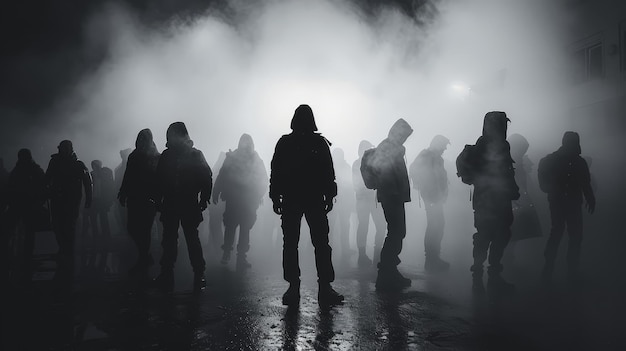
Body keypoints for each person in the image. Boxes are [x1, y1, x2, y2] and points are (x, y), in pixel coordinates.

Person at [270, 104, 344, 306]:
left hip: (293, 199)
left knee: (291, 244)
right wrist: (329, 195)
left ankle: (293, 288)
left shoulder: (285, 142)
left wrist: (275, 196)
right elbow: (328, 172)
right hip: (313, 199)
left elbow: (275, 171)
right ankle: (324, 288)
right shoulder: (319, 143)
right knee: (321, 244)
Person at [462, 112, 519, 294]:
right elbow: (503, 171)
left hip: (491, 198)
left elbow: (506, 171)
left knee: (493, 235)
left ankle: (483, 276)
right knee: (491, 235)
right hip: (490, 198)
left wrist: (512, 188)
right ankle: (485, 276)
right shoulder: (490, 145)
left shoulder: (490, 144)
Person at [153, 122, 212, 292]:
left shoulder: (193, 155)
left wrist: (204, 197)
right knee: (171, 240)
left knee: (189, 240)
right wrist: (158, 199)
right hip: (174, 203)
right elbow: (159, 180)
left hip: (186, 202)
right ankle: (168, 272)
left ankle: (198, 272)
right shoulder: (170, 156)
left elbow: (206, 177)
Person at [538, 131, 595, 285]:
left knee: (562, 234)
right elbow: (585, 183)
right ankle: (562, 271)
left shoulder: (553, 160)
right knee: (567, 235)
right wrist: (589, 197)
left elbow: (585, 182)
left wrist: (590, 197)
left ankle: (553, 270)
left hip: (564, 202)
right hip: (566, 202)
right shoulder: (575, 161)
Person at [212, 133, 268, 269]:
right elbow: (223, 174)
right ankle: (231, 254)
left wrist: (258, 195)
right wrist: (216, 191)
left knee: (241, 229)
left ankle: (238, 256)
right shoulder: (236, 158)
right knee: (234, 228)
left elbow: (263, 179)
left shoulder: (253, 159)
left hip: (245, 201)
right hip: (238, 200)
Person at [371, 118, 414, 291]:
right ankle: (386, 274)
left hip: (392, 196)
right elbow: (383, 170)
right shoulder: (389, 147)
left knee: (396, 232)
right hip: (392, 196)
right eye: (403, 135)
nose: (405, 138)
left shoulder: (391, 147)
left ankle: (389, 272)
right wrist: (395, 192)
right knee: (396, 232)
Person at [45, 140, 92, 283]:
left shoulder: (78, 164)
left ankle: (67, 252)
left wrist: (89, 198)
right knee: (58, 227)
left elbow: (87, 181)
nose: (63, 150)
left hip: (71, 202)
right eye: (62, 148)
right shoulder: (54, 162)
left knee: (68, 227)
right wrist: (45, 192)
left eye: (65, 148)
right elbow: (47, 178)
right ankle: (65, 249)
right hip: (57, 200)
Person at [118, 129, 160, 278]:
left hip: (146, 199)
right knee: (133, 228)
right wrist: (123, 192)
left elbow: (159, 178)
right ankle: (144, 256)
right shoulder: (136, 156)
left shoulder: (155, 156)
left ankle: (143, 258)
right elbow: (128, 176)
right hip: (136, 198)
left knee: (143, 229)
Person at [3, 149, 47, 283]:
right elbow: (43, 187)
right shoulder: (34, 169)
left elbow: (10, 188)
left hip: (22, 205)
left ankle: (12, 255)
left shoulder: (18, 170)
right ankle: (24, 256)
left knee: (18, 231)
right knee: (28, 232)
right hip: (26, 205)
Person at [409, 135, 451, 273]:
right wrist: (423, 187)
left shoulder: (435, 157)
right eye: (444, 145)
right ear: (437, 144)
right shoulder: (427, 155)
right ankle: (431, 260)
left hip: (435, 196)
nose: (445, 148)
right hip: (431, 196)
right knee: (435, 226)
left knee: (437, 225)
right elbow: (414, 169)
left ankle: (433, 258)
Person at [505, 133, 542, 267]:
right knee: (508, 233)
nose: (522, 153)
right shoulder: (504, 162)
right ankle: (505, 261)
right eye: (521, 150)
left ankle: (508, 258)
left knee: (514, 233)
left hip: (517, 201)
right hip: (508, 202)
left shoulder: (517, 161)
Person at [352, 140, 386, 268]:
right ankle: (371, 255)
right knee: (373, 226)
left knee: (368, 226)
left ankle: (367, 255)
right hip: (368, 199)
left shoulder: (359, 163)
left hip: (368, 199)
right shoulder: (361, 163)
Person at [82, 160, 115, 275]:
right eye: (93, 165)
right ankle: (100, 237)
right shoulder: (93, 174)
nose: (94, 167)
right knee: (97, 220)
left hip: (100, 200)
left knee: (102, 219)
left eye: (95, 165)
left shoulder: (102, 174)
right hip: (95, 201)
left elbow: (109, 187)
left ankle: (105, 237)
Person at [329, 147, 354, 264]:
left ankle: (341, 249)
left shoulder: (330, 166)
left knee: (341, 226)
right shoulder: (337, 166)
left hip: (338, 201)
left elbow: (350, 185)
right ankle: (342, 249)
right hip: (337, 201)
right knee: (336, 226)